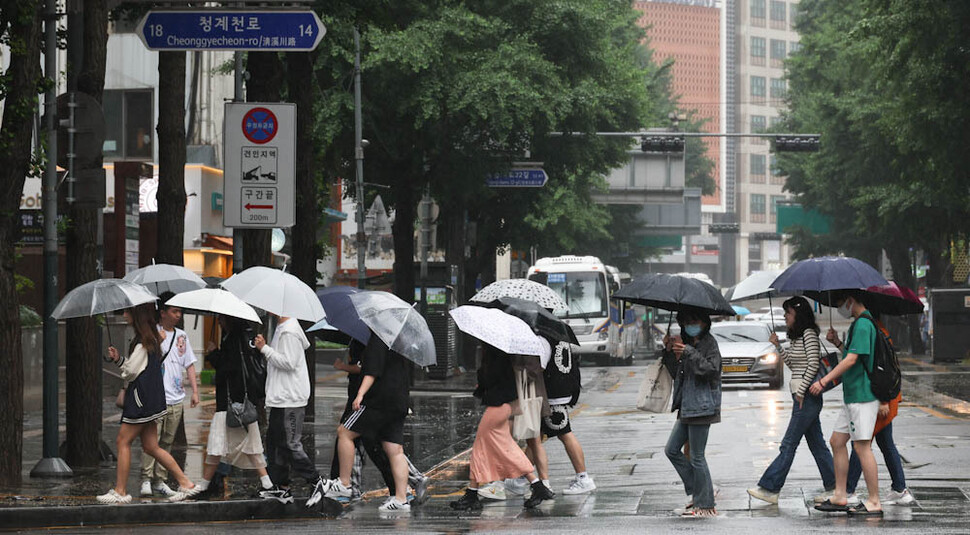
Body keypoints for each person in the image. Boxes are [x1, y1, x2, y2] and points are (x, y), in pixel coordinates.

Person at [98, 303, 200, 504]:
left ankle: (120, 491)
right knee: (151, 446)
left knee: (122, 441)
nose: (125, 314)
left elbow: (131, 372)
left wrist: (122, 364)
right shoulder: (151, 339)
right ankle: (186, 484)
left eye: (128, 311)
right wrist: (119, 359)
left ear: (137, 315)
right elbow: (137, 365)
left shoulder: (143, 342)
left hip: (140, 402)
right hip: (152, 400)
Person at [748, 296, 836, 504]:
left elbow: (813, 365)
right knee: (817, 444)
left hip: (807, 397)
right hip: (801, 395)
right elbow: (794, 366)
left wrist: (801, 391)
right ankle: (835, 486)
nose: (785, 316)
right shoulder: (797, 338)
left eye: (788, 312)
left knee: (788, 444)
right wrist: (778, 347)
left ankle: (770, 488)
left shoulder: (809, 335)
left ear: (798, 314)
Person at [450, 344, 554, 511]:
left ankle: (473, 494)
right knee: (495, 446)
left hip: (499, 403)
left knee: (488, 447)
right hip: (509, 400)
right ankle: (537, 486)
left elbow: (488, 378)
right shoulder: (507, 349)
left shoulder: (494, 351)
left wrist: (481, 375)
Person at [195, 315, 288, 502]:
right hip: (240, 401)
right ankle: (267, 484)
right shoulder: (245, 336)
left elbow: (230, 368)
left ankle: (204, 486)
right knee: (244, 446)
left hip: (232, 402)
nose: (220, 322)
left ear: (230, 319)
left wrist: (214, 353)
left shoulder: (235, 339)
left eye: (222, 319)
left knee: (220, 445)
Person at [328, 337, 429, 505]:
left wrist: (360, 395)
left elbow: (371, 371)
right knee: (394, 449)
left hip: (378, 402)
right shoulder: (398, 341)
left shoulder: (377, 340)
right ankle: (402, 498)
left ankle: (345, 484)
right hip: (398, 401)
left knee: (344, 432)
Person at [811, 290, 884, 516]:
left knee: (862, 447)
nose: (840, 309)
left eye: (841, 303)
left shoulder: (863, 324)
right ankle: (840, 495)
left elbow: (852, 360)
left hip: (862, 396)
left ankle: (874, 501)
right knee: (836, 441)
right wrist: (838, 343)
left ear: (851, 301)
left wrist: (825, 379)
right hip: (852, 395)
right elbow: (853, 356)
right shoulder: (858, 324)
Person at [837, 315, 915, 506]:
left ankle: (850, 490)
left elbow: (881, 370)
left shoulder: (875, 332)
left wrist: (884, 400)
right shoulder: (873, 329)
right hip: (879, 398)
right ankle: (899, 488)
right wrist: (839, 343)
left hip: (879, 399)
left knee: (862, 444)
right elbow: (861, 361)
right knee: (882, 443)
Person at [254, 314, 327, 507]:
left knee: (289, 444)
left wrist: (265, 349)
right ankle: (281, 486)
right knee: (275, 444)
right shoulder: (281, 328)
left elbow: (289, 362)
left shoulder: (289, 331)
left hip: (290, 399)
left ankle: (317, 481)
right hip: (281, 398)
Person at [662, 309, 721, 518]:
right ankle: (699, 491)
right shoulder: (688, 344)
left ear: (704, 322)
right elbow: (676, 373)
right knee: (671, 450)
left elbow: (712, 370)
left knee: (697, 456)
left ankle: (705, 503)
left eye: (694, 321)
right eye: (686, 321)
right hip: (687, 406)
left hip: (703, 406)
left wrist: (688, 352)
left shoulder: (709, 344)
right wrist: (669, 351)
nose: (690, 325)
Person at [139, 292, 199, 498]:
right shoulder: (151, 334)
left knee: (166, 441)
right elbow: (142, 361)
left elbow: (189, 364)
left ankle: (160, 479)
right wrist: (157, 342)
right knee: (151, 441)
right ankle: (146, 478)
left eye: (180, 311)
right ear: (162, 313)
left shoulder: (182, 336)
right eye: (174, 311)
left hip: (176, 397)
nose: (178, 315)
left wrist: (195, 391)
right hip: (156, 397)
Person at [528, 339, 595, 495]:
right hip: (560, 392)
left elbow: (541, 366)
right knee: (534, 436)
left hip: (551, 395)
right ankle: (519, 477)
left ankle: (583, 478)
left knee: (563, 434)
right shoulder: (559, 334)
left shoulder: (543, 338)